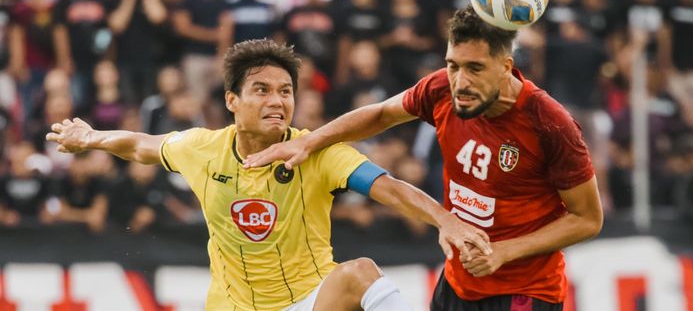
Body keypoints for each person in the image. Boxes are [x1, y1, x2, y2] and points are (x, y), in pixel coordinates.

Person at [47, 38, 490, 311]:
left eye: (285, 91)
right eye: (261, 90)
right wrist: (92, 137)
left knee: (361, 273)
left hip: (312, 302)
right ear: (231, 101)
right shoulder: (201, 149)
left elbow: (387, 187)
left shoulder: (315, 151)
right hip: (232, 306)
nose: (277, 100)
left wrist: (446, 220)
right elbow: (141, 145)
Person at [246, 7, 603, 310]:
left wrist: (502, 252)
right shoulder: (442, 89)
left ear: (505, 67)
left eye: (475, 68)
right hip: (456, 283)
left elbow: (587, 219)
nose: (460, 81)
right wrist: (311, 142)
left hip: (524, 292)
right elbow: (382, 114)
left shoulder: (549, 123)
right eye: (453, 65)